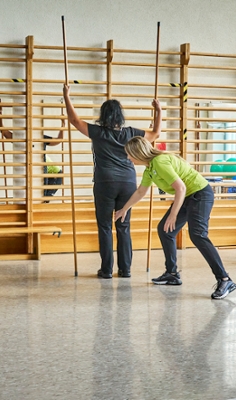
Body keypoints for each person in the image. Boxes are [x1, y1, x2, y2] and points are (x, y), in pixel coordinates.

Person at [114, 136, 236, 299]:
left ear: (137, 153)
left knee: (198, 234)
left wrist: (173, 215)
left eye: (129, 155)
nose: (128, 158)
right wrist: (124, 209)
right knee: (165, 230)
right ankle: (171, 273)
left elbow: (181, 188)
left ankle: (224, 279)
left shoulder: (160, 162)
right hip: (188, 196)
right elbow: (140, 192)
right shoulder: (150, 169)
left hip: (200, 193)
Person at [63, 84, 161, 279]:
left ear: (103, 115)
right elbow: (155, 134)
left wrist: (67, 96)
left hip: (105, 182)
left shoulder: (98, 132)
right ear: (120, 116)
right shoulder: (131, 132)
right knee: (123, 226)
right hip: (127, 183)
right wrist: (158, 111)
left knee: (105, 226)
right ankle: (125, 270)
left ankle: (106, 270)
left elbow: (74, 120)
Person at [0, 104, 64, 200]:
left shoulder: (41, 138)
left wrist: (63, 125)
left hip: (52, 173)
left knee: (43, 197)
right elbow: (4, 131)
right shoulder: (21, 139)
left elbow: (59, 140)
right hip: (42, 170)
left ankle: (45, 201)